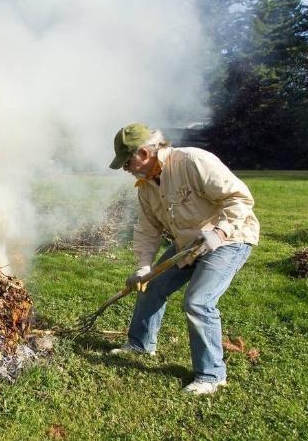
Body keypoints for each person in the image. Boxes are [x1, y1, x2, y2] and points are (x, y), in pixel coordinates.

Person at [108, 123, 260, 395]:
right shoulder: (146, 187)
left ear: (143, 153)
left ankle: (212, 375)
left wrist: (220, 231)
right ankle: (140, 344)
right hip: (188, 245)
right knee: (151, 285)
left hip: (230, 239)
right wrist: (144, 267)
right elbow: (147, 230)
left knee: (198, 302)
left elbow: (239, 198)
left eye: (127, 162)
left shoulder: (192, 161)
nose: (125, 169)